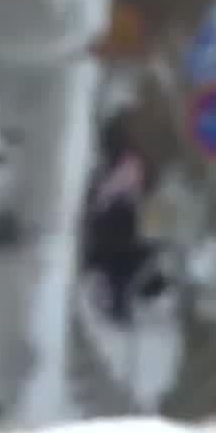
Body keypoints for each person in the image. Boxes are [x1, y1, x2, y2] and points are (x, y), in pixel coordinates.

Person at [82, 115, 154, 321]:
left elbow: (121, 189)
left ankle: (119, 307)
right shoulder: (122, 160)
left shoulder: (127, 163)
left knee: (116, 268)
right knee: (115, 268)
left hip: (120, 221)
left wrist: (102, 198)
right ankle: (117, 305)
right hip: (119, 223)